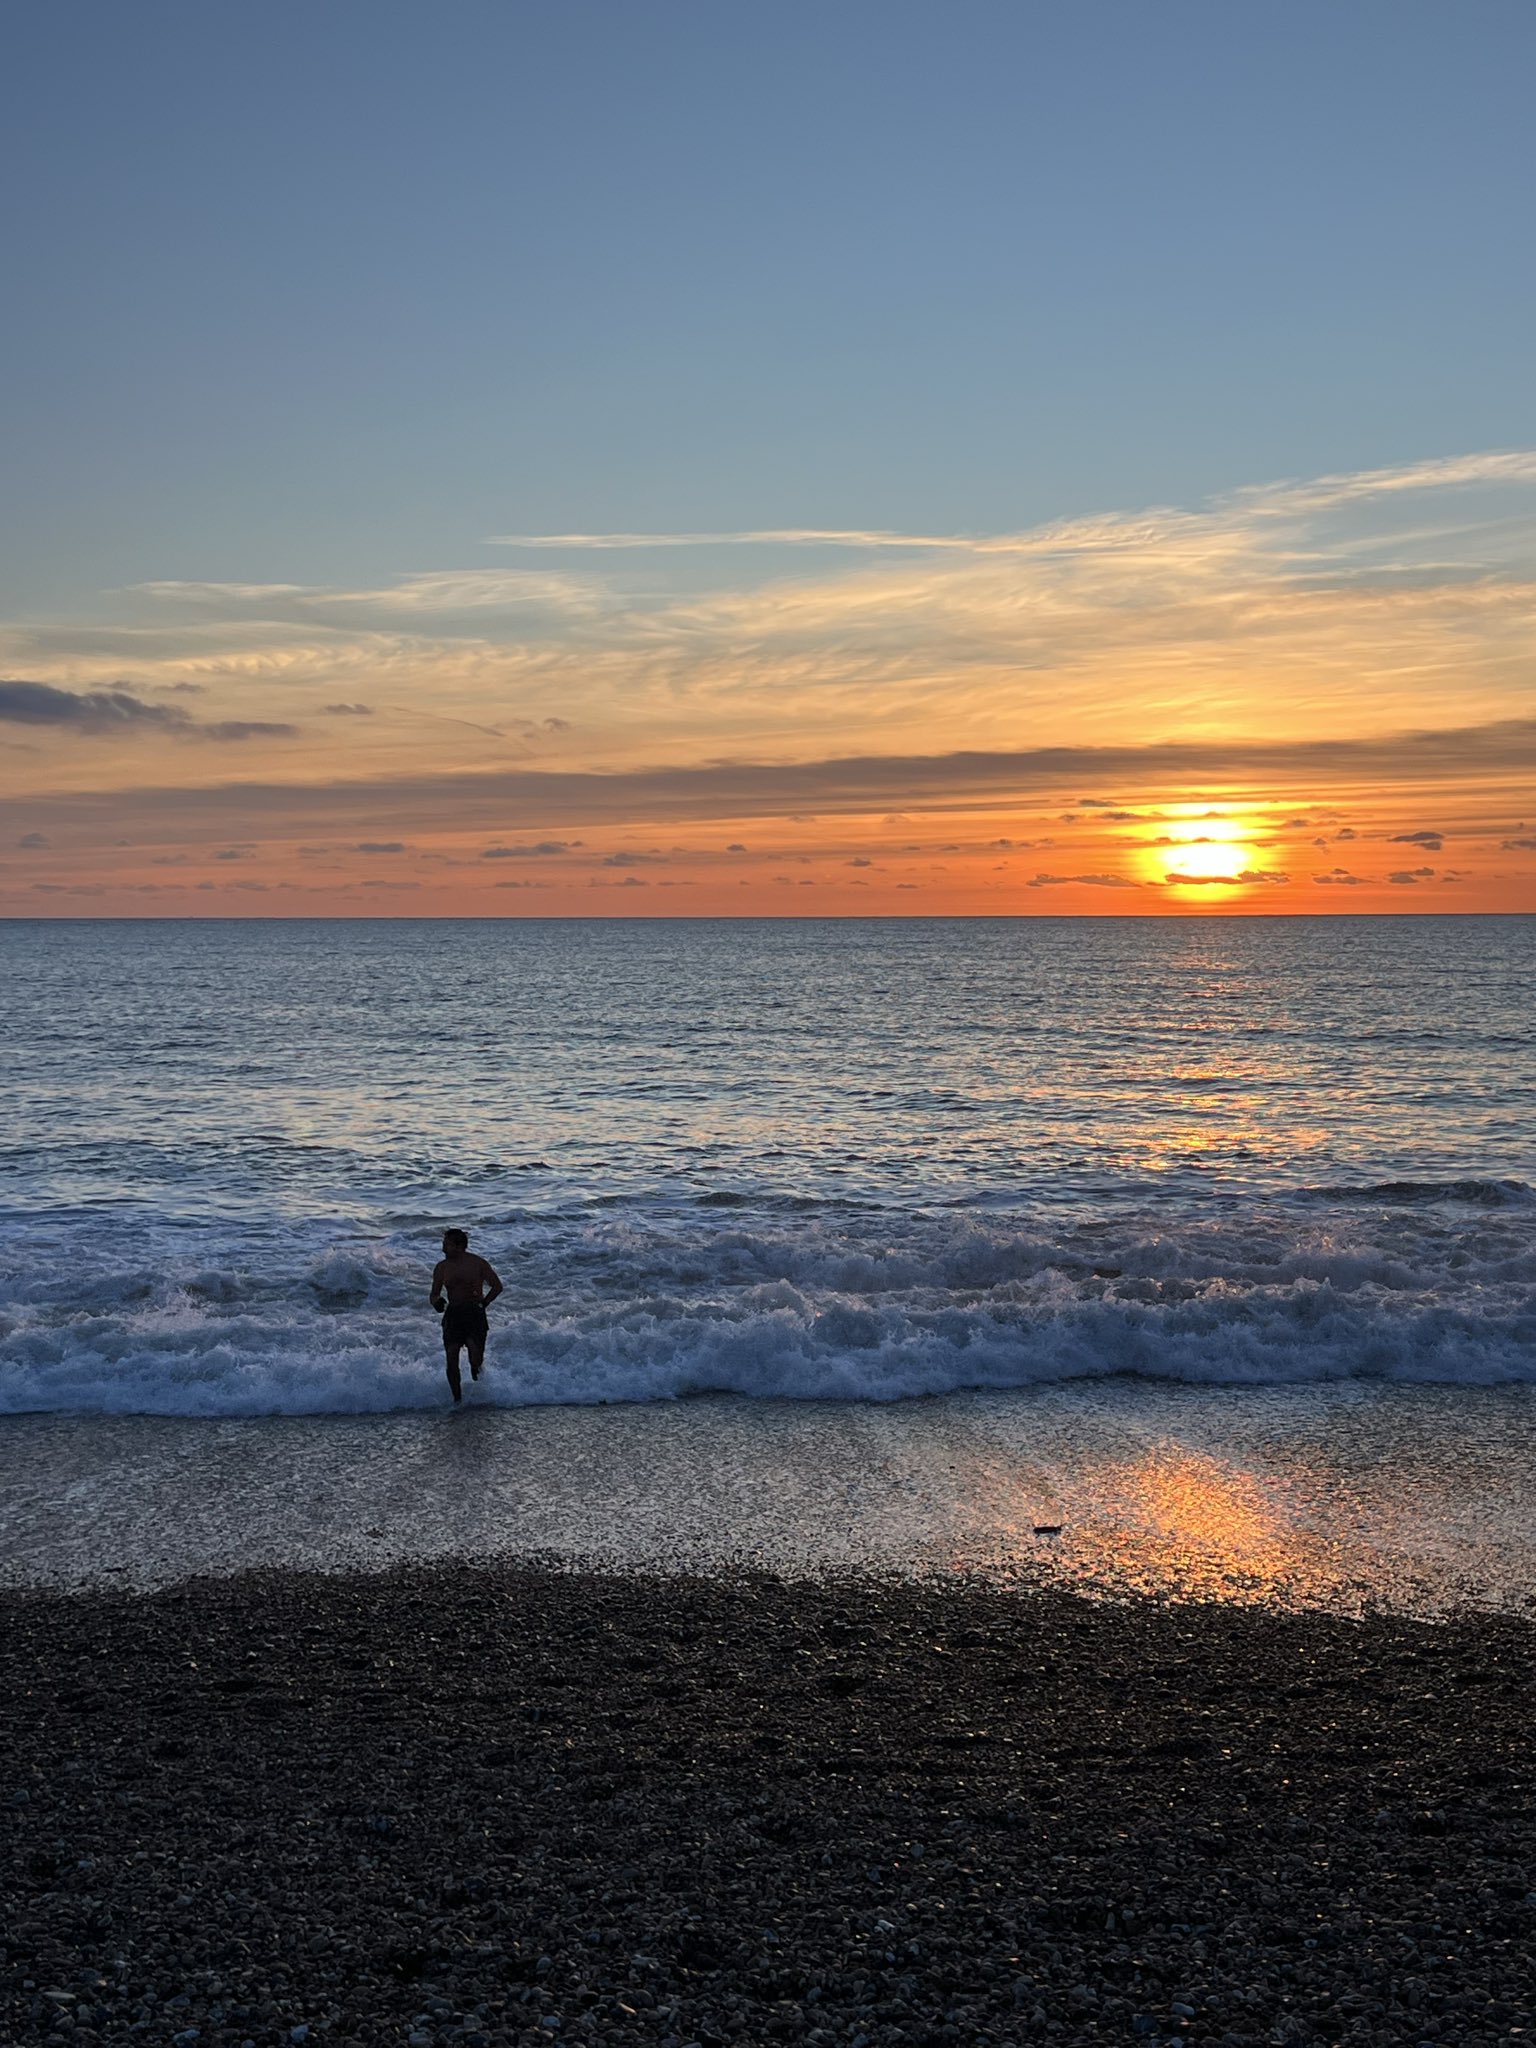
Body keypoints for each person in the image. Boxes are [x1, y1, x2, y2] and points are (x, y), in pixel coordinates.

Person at [429, 1228, 503, 1404]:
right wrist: (437, 1302)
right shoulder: (442, 1267)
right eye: (443, 1244)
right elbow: (433, 1294)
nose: (443, 1248)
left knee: (475, 1359)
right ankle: (457, 1400)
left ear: (459, 1246)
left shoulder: (477, 1263)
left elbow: (497, 1286)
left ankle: (481, 1394)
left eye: (447, 1245)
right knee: (451, 1357)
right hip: (453, 1314)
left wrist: (484, 1304)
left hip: (474, 1313)